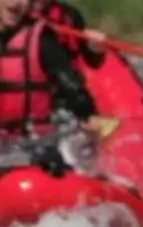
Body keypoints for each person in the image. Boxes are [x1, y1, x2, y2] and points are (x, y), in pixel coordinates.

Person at [0, 0, 102, 175]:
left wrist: (86, 115)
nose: (16, 3)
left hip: (35, 143)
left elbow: (72, 89)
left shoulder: (42, 40)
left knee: (52, 157)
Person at [32, 0, 106, 69]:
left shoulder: (70, 15)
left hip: (64, 77)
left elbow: (93, 62)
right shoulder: (22, 16)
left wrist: (95, 49)